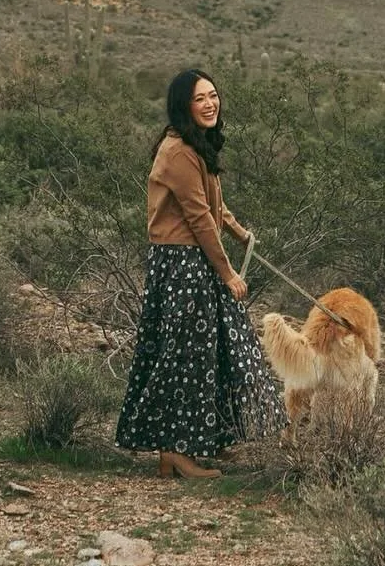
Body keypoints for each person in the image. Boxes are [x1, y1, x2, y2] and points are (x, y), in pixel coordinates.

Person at [115, 68, 285, 479]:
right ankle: (175, 451)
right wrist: (227, 273)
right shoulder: (177, 153)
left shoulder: (196, 146)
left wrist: (241, 233)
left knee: (213, 352)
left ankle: (204, 440)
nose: (210, 103)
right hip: (181, 264)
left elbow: (214, 207)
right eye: (200, 98)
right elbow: (197, 218)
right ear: (183, 106)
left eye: (213, 95)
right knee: (185, 357)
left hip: (194, 262)